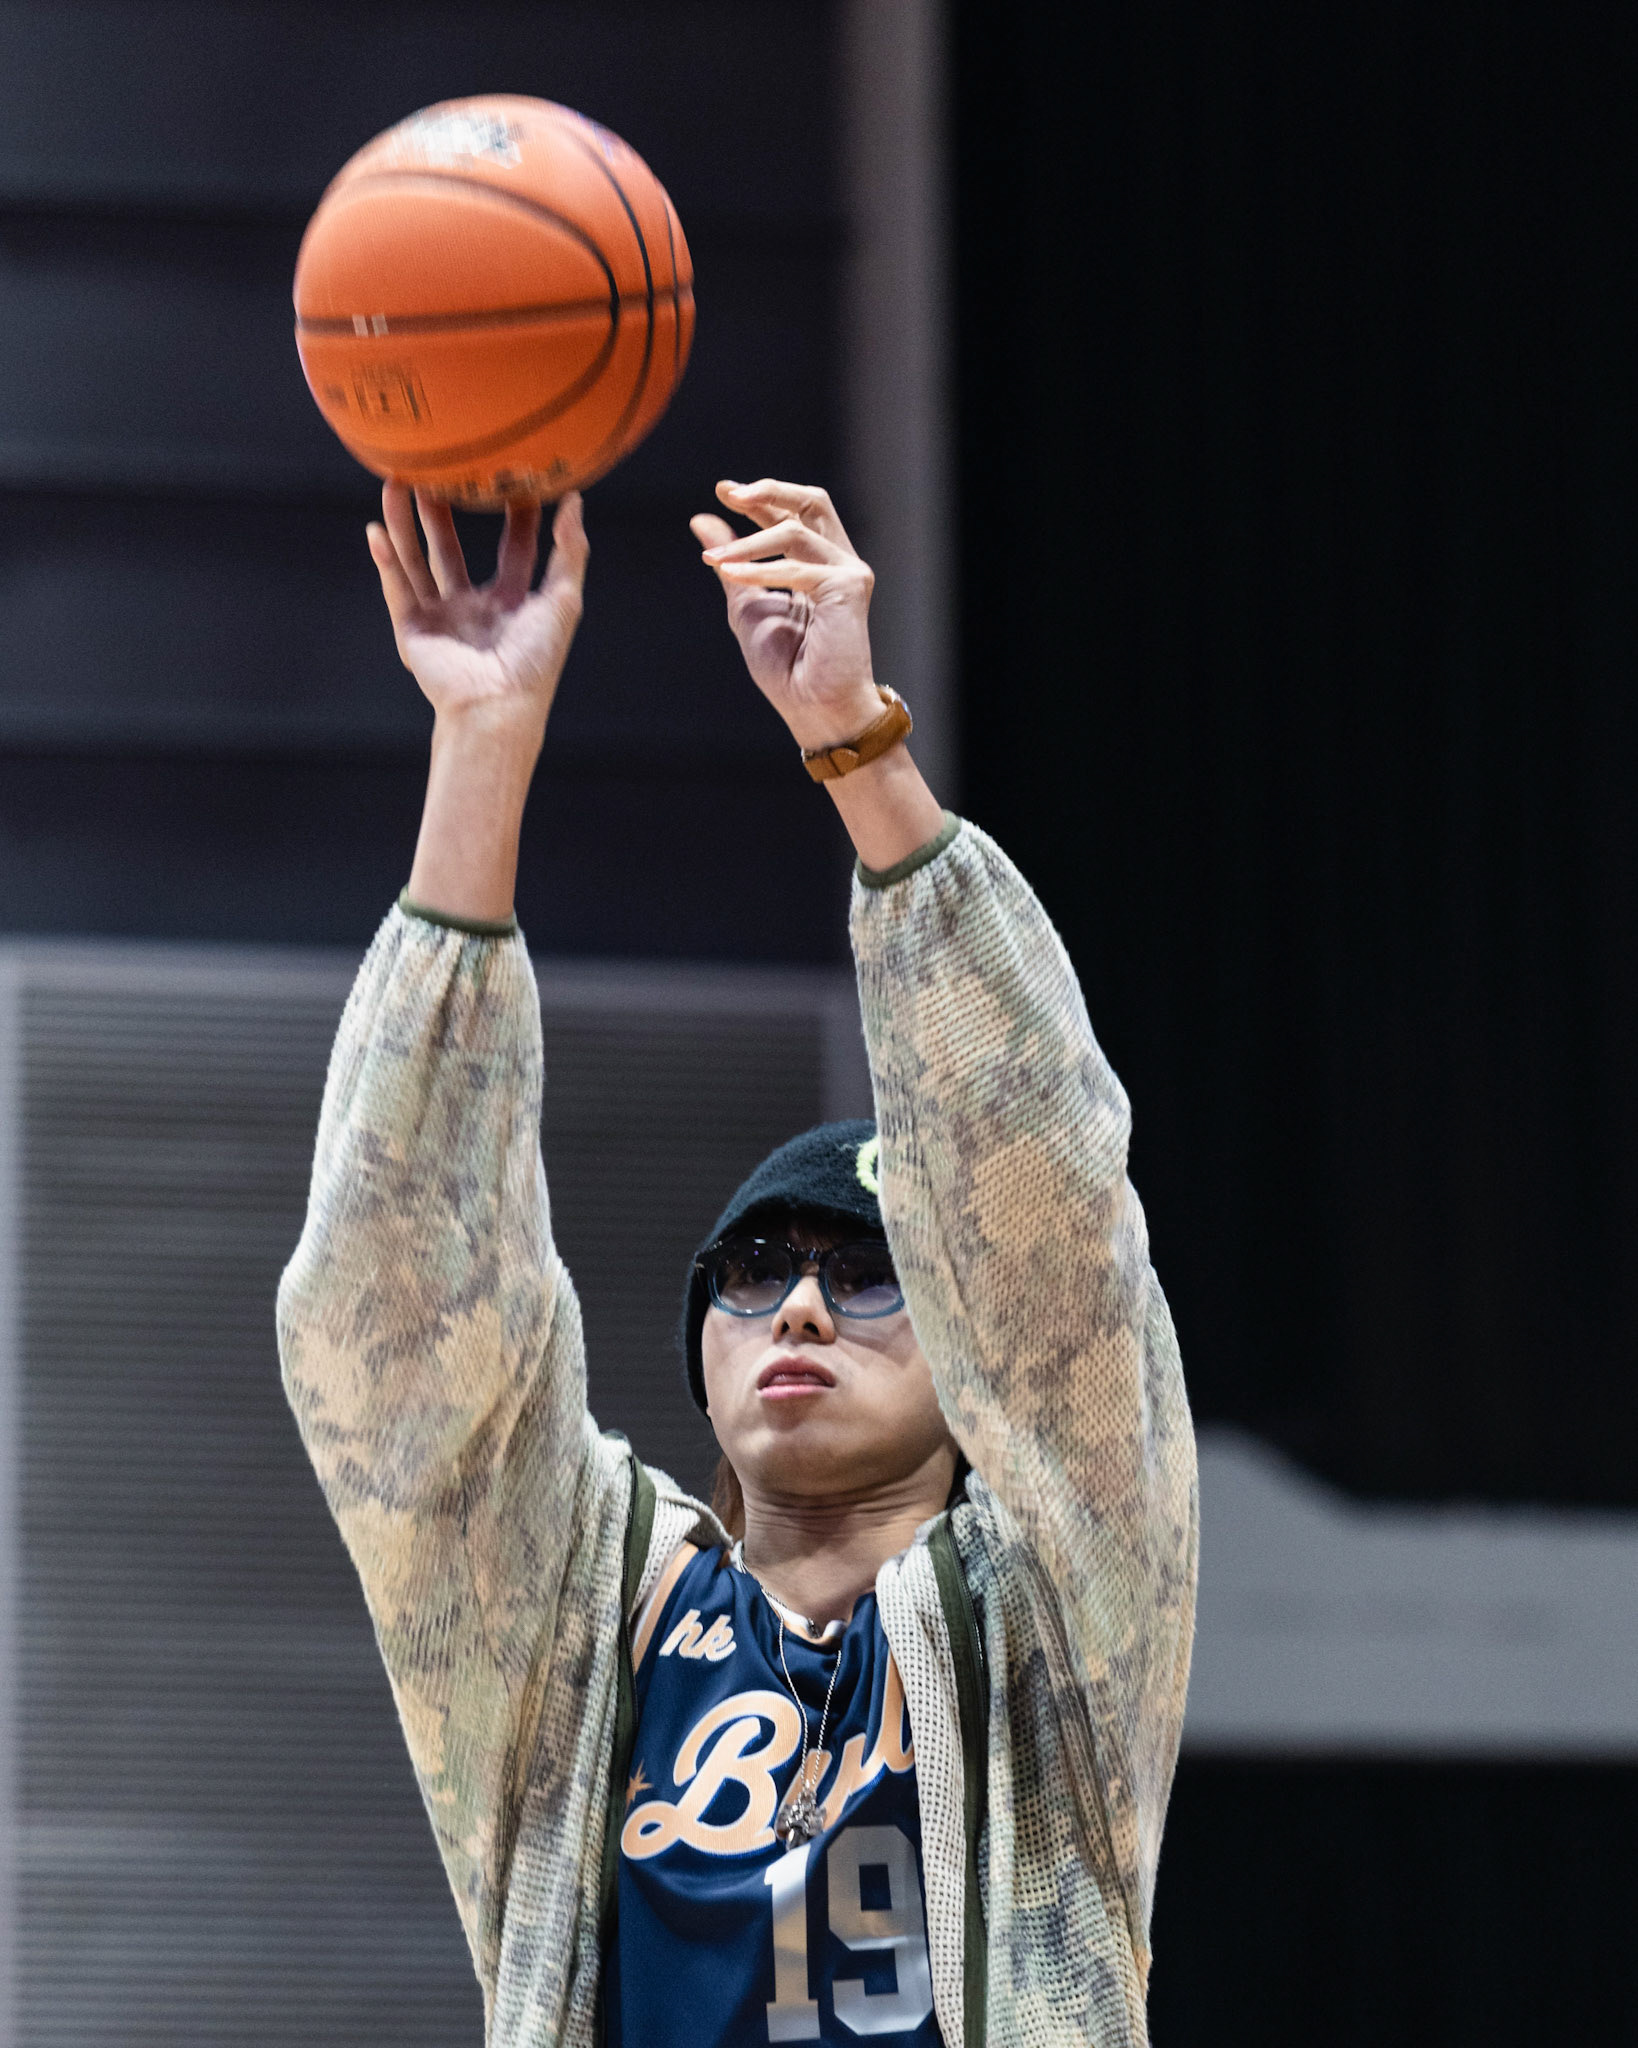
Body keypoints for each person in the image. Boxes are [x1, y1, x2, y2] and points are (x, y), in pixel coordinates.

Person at [277, 475, 1198, 2048]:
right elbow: (396, 1310)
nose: (802, 1303)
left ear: (973, 1351)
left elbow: (1042, 1212)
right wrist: (483, 744)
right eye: (756, 1267)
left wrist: (855, 743)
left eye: (869, 1271)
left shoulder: (1055, 1601)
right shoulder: (576, 1616)